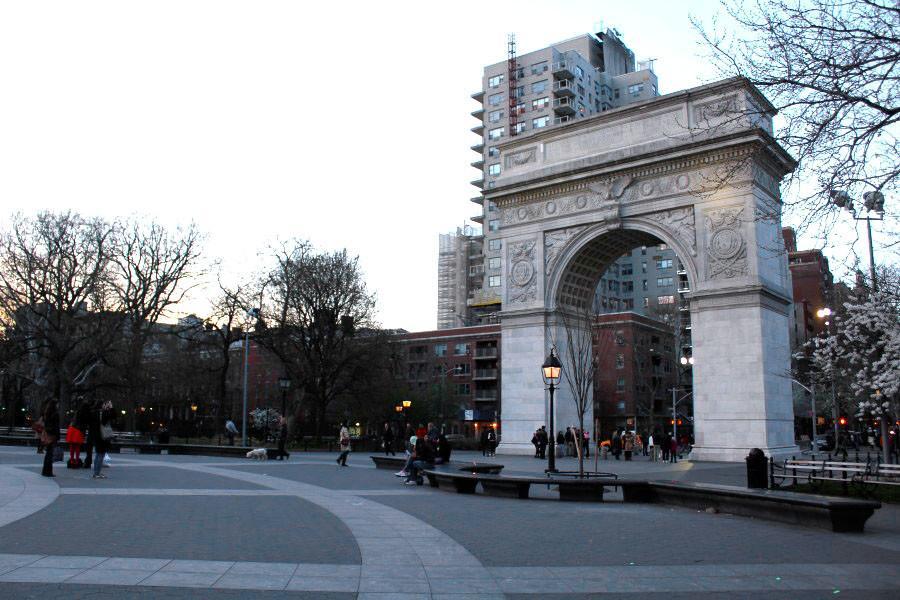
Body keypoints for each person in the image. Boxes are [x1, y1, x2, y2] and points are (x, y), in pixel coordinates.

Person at [88, 400, 114, 479]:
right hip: (102, 436)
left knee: (98, 454)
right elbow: (112, 416)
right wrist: (111, 408)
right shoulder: (102, 413)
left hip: (96, 436)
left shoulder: (93, 413)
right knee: (100, 454)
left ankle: (96, 472)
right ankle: (97, 473)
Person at [66, 398, 91, 468]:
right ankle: (76, 460)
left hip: (72, 428)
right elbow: (86, 423)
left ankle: (71, 460)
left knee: (72, 446)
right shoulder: (86, 413)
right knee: (77, 446)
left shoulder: (78, 411)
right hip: (78, 430)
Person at [40, 399, 60, 477]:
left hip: (47, 434)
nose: (58, 406)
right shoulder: (55, 414)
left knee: (48, 453)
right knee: (50, 454)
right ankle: (48, 472)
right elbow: (56, 426)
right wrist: (57, 436)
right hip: (53, 435)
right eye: (57, 404)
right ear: (55, 405)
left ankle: (45, 471)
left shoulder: (47, 413)